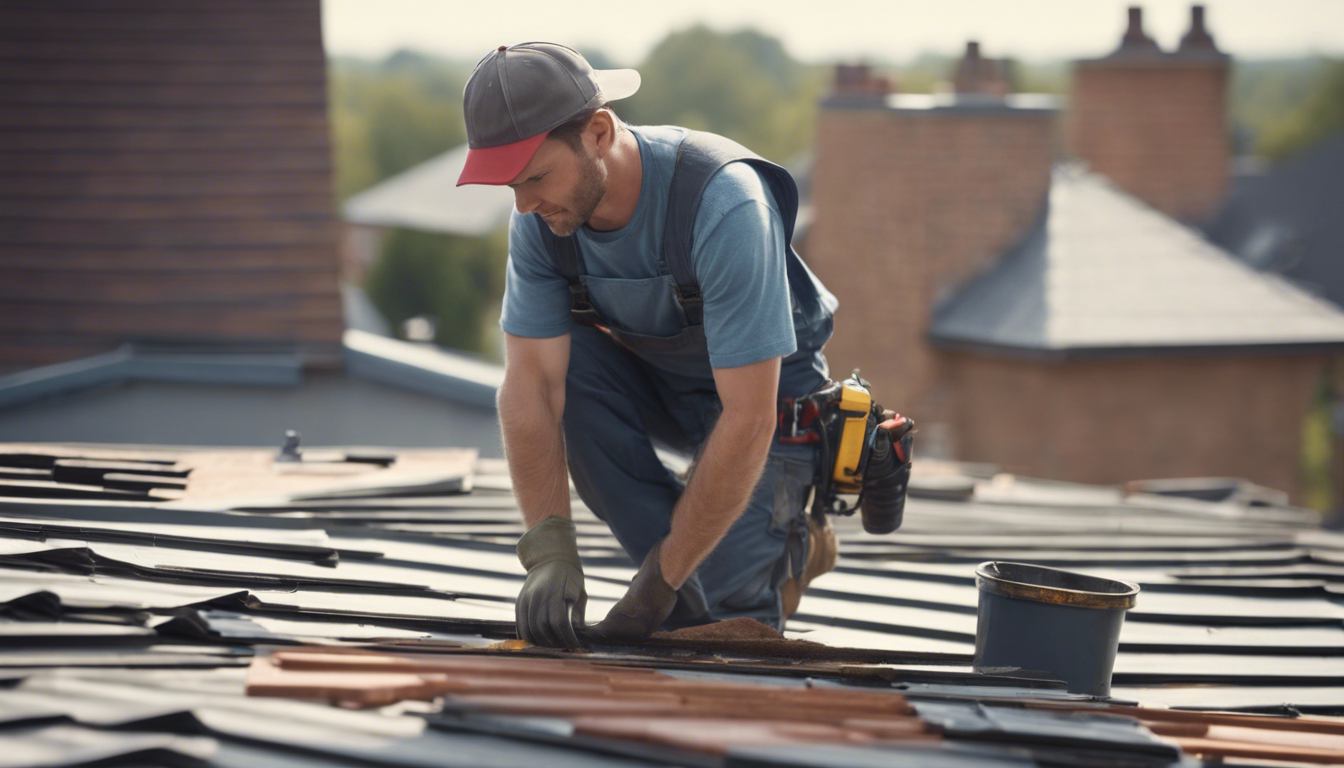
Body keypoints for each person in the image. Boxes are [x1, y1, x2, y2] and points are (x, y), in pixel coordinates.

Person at [456, 42, 840, 649]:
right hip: (663, 383)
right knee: (565, 366)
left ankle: (788, 542)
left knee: (728, 617)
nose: (525, 204)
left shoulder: (722, 202)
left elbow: (748, 415)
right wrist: (549, 547)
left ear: (599, 132)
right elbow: (531, 384)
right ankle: (702, 567)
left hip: (764, 398)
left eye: (534, 178)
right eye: (511, 186)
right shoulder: (540, 221)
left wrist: (662, 577)